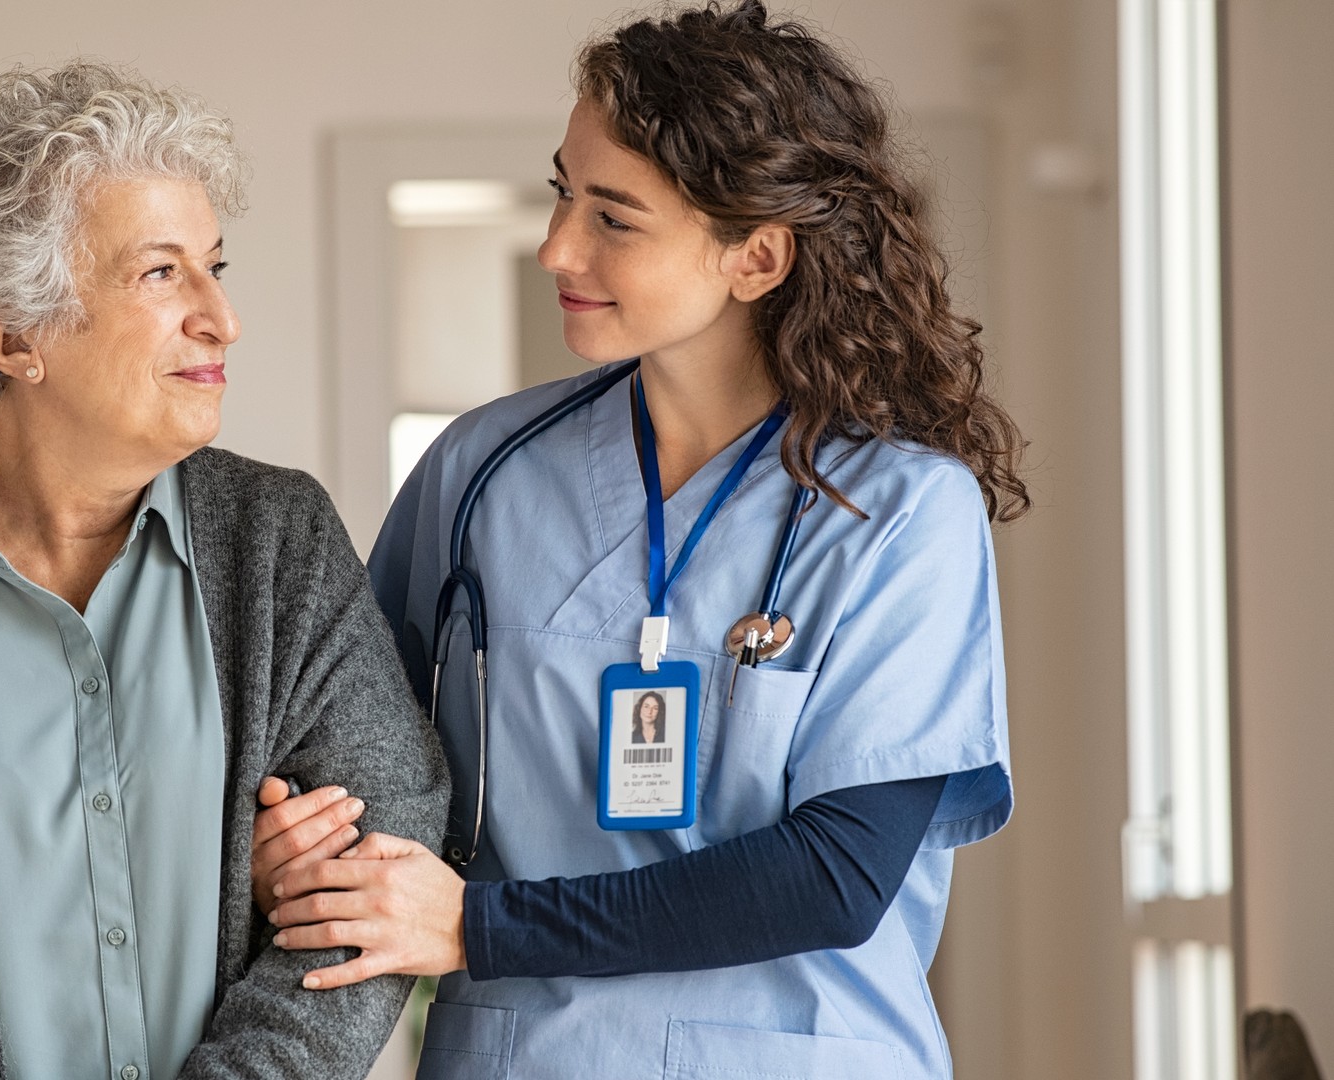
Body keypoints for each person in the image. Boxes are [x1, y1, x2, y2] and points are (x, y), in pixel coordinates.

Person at [248, 5, 1025, 1077]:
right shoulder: (480, 473)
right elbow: (342, 748)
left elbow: (837, 875)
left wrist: (479, 929)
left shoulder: (898, 514)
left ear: (756, 257)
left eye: (615, 217)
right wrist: (294, 843)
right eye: (565, 191)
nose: (556, 244)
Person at [0, 63, 448, 1080]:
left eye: (214, 266)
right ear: (13, 335)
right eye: (160, 274)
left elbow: (382, 853)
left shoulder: (281, 540)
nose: (221, 319)